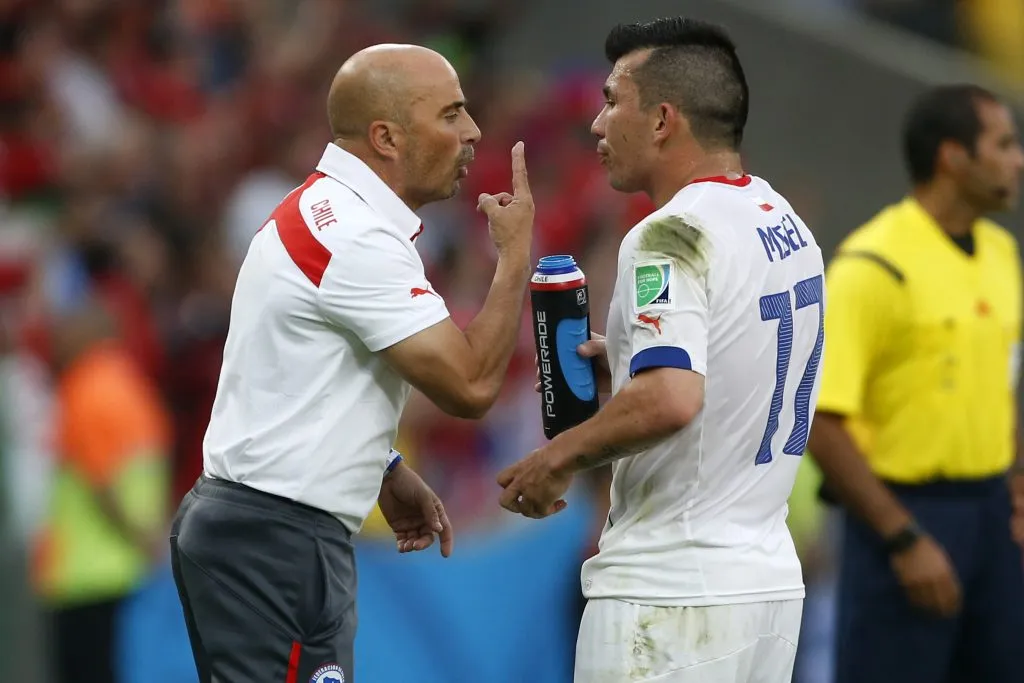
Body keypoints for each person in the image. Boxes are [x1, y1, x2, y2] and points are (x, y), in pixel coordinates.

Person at [169, 44, 535, 683]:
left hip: (267, 530)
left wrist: (380, 464)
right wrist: (513, 260)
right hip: (274, 540)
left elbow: (297, 378)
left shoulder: (328, 215)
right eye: (451, 114)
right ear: (387, 137)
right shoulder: (352, 237)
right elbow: (471, 385)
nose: (473, 132)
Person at [498, 18, 824, 683]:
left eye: (612, 100)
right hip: (765, 589)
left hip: (672, 595)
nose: (597, 124)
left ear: (662, 120)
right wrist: (627, 358)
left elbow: (672, 398)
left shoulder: (670, 235)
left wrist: (556, 458)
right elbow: (736, 358)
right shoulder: (785, 223)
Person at [807, 84, 1024, 683]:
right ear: (953, 157)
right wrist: (903, 539)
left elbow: (1002, 382)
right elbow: (822, 422)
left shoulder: (1002, 253)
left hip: (992, 517)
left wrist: (1017, 487)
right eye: (1004, 144)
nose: (1018, 160)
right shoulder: (872, 265)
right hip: (905, 516)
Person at [36, 296, 171, 683]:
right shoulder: (133, 384)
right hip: (127, 567)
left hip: (84, 574)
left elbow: (101, 482)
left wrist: (140, 536)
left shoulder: (83, 387)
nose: (56, 337)